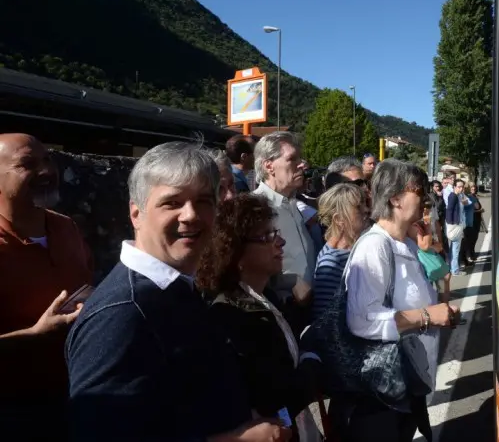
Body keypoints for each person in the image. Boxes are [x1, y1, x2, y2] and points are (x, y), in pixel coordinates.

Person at [66, 141, 290, 442]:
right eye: (172, 203)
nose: (191, 215)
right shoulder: (122, 314)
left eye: (203, 201)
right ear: (136, 214)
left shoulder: (177, 286)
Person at [330, 158, 460, 442]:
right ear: (395, 199)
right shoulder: (375, 246)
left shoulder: (404, 243)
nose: (425, 196)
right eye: (418, 189)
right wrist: (427, 316)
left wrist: (439, 313)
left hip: (404, 382)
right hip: (380, 392)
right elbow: (362, 320)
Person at [196, 194, 322, 442]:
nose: (281, 242)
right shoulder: (232, 316)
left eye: (276, 233)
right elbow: (273, 396)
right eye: (267, 237)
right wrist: (312, 360)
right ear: (235, 253)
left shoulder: (267, 297)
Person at [0, 133, 93, 438]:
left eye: (47, 159)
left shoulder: (66, 227)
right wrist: (33, 335)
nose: (46, 171)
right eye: (27, 164)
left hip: (80, 391)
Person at [252, 132, 315, 311]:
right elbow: (249, 267)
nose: (301, 164)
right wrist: (291, 281)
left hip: (307, 305)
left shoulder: (291, 202)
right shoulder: (256, 208)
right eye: (292, 159)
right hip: (282, 308)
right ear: (269, 166)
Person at [312, 182, 369, 320]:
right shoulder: (331, 261)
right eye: (358, 208)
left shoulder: (353, 249)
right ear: (339, 219)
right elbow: (326, 319)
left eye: (365, 204)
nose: (366, 210)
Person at [445, 179, 468, 275]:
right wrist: (451, 223)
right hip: (455, 225)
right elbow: (449, 210)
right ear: (454, 187)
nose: (461, 188)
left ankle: (452, 268)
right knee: (455, 248)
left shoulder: (459, 196)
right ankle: (455, 270)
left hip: (457, 224)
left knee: (454, 248)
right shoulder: (453, 196)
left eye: (462, 187)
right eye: (459, 186)